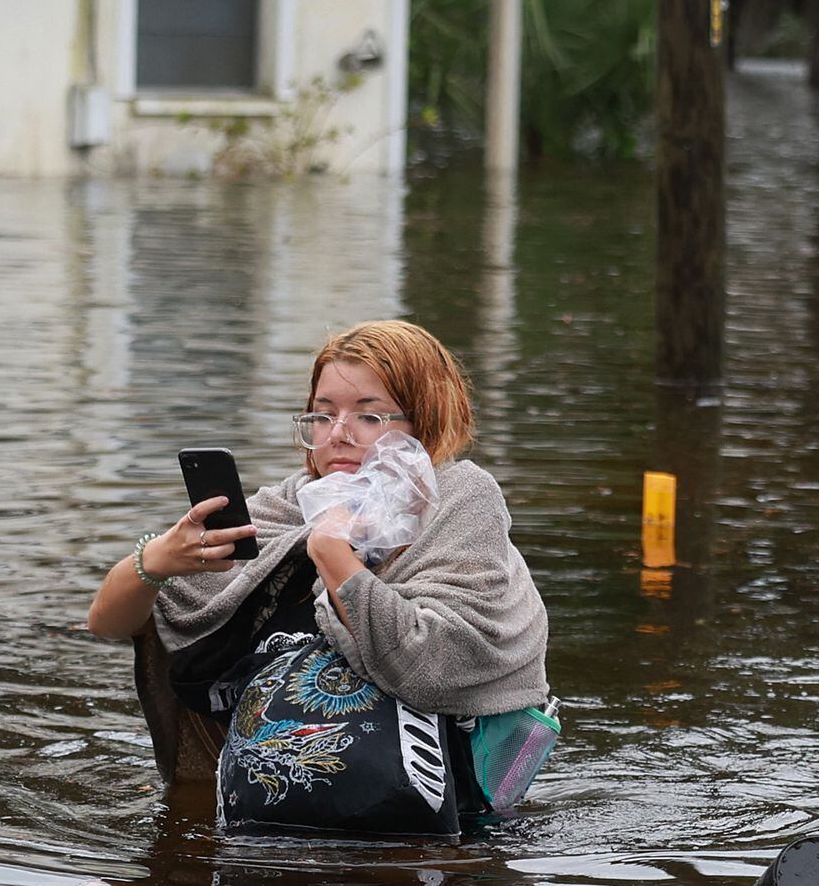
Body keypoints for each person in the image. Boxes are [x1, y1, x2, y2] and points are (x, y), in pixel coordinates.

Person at [87, 319, 549, 784]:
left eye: (369, 416)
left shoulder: (460, 500)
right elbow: (108, 625)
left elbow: (435, 668)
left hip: (431, 813)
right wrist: (156, 561)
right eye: (323, 415)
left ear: (425, 418)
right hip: (276, 794)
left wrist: (332, 552)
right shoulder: (292, 503)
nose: (338, 434)